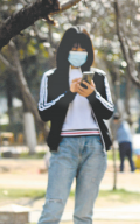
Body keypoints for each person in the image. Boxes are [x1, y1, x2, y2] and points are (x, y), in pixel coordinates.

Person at [37, 27, 114, 224]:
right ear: (65, 50)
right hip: (64, 147)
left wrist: (93, 96)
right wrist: (69, 93)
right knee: (53, 210)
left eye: (82, 48)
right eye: (74, 48)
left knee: (83, 215)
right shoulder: (51, 77)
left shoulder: (98, 77)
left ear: (89, 51)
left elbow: (108, 112)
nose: (78, 52)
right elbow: (44, 113)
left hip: (94, 148)